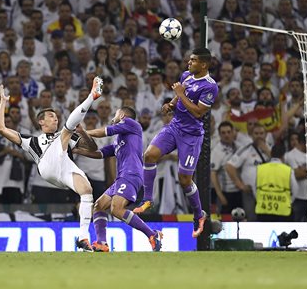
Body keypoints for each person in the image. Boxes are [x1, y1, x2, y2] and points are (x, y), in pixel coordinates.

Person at [0, 77, 103, 252]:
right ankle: (92, 96)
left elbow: (93, 148)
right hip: (46, 164)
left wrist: (83, 133)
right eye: (51, 117)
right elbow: (1, 128)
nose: (55, 119)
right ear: (41, 122)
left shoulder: (67, 136)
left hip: (64, 168)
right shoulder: (32, 141)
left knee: (87, 190)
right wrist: (2, 102)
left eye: (56, 117)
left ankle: (83, 237)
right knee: (67, 130)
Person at [134, 48, 219, 238]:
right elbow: (179, 94)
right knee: (149, 155)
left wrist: (180, 94)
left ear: (204, 64)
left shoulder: (210, 87)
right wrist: (171, 104)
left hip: (192, 135)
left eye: (194, 60)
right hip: (175, 127)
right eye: (190, 60)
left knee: (184, 179)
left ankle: (199, 215)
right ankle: (147, 199)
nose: (189, 63)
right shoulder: (187, 75)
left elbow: (198, 112)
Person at [74, 106, 163, 252]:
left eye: (115, 115)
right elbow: (100, 153)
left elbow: (104, 131)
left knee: (116, 208)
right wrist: (78, 151)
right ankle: (102, 243)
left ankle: (152, 235)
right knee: (99, 206)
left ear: (121, 115)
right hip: (121, 178)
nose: (113, 117)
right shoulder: (119, 140)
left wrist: (83, 132)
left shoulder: (132, 124)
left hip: (131, 174)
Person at [254, 143, 298, 222]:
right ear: (283, 155)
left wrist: (259, 199)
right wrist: (289, 201)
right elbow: (295, 189)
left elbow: (255, 188)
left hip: (263, 210)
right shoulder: (288, 170)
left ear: (271, 154)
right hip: (283, 211)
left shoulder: (260, 169)